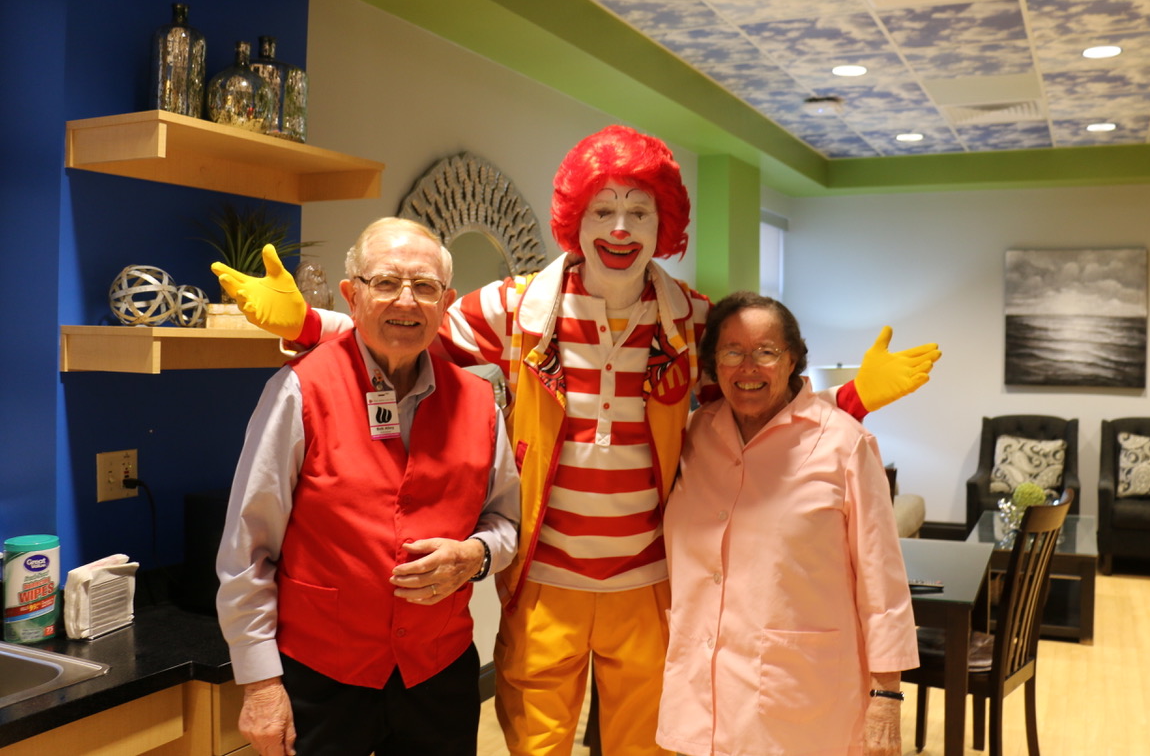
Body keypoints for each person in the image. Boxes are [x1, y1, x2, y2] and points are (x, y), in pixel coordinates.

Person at [214, 126, 939, 756]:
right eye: (604, 210)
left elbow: (759, 403)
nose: (620, 229)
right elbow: (408, 326)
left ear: (664, 224)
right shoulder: (512, 306)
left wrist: (850, 400)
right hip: (545, 583)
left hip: (648, 584)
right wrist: (309, 324)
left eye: (639, 211)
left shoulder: (692, 320)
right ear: (575, 219)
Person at [215, 217, 520, 756]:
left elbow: (505, 522)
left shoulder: (479, 404)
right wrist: (260, 683)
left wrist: (476, 555)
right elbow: (248, 548)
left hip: (439, 675)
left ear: (446, 303)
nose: (406, 300)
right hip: (323, 677)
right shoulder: (298, 391)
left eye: (424, 286)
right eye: (386, 282)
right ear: (352, 296)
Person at [658, 291, 918, 756]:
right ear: (714, 363)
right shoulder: (695, 434)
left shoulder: (845, 444)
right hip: (702, 692)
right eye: (732, 352)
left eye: (766, 352)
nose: (748, 367)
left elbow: (882, 583)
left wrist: (887, 694)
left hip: (803, 699)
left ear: (792, 358)